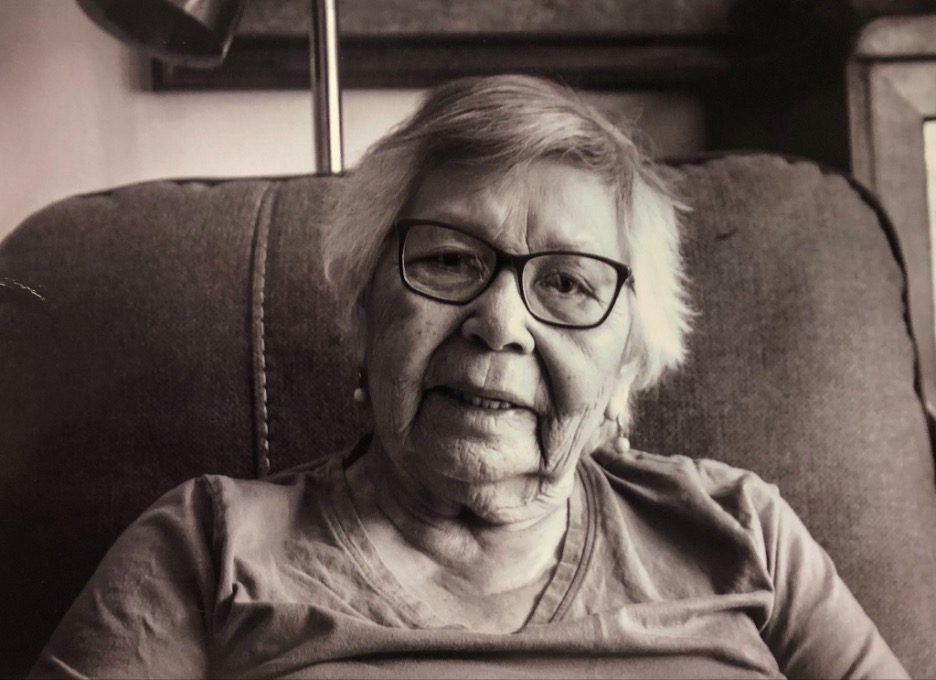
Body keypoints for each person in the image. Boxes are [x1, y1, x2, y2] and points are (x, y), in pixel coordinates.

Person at [30, 75, 907, 679]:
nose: (500, 321)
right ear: (362, 318)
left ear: (625, 376)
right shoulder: (208, 549)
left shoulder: (743, 532)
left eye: (567, 284)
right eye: (450, 260)